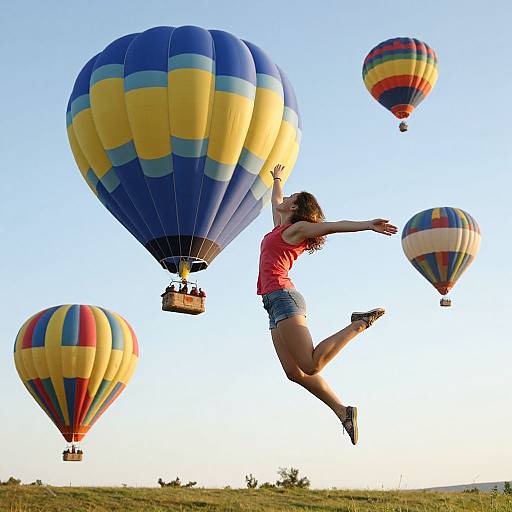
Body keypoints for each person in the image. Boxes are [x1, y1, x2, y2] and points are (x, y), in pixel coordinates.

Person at [258, 163, 397, 445]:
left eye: (291, 197)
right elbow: (275, 200)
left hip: (284, 298)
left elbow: (332, 226)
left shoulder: (297, 229)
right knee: (293, 373)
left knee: (311, 365)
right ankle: (343, 411)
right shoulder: (281, 228)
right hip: (272, 304)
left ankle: (359, 324)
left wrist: (367, 225)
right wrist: (277, 179)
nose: (285, 199)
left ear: (296, 209)